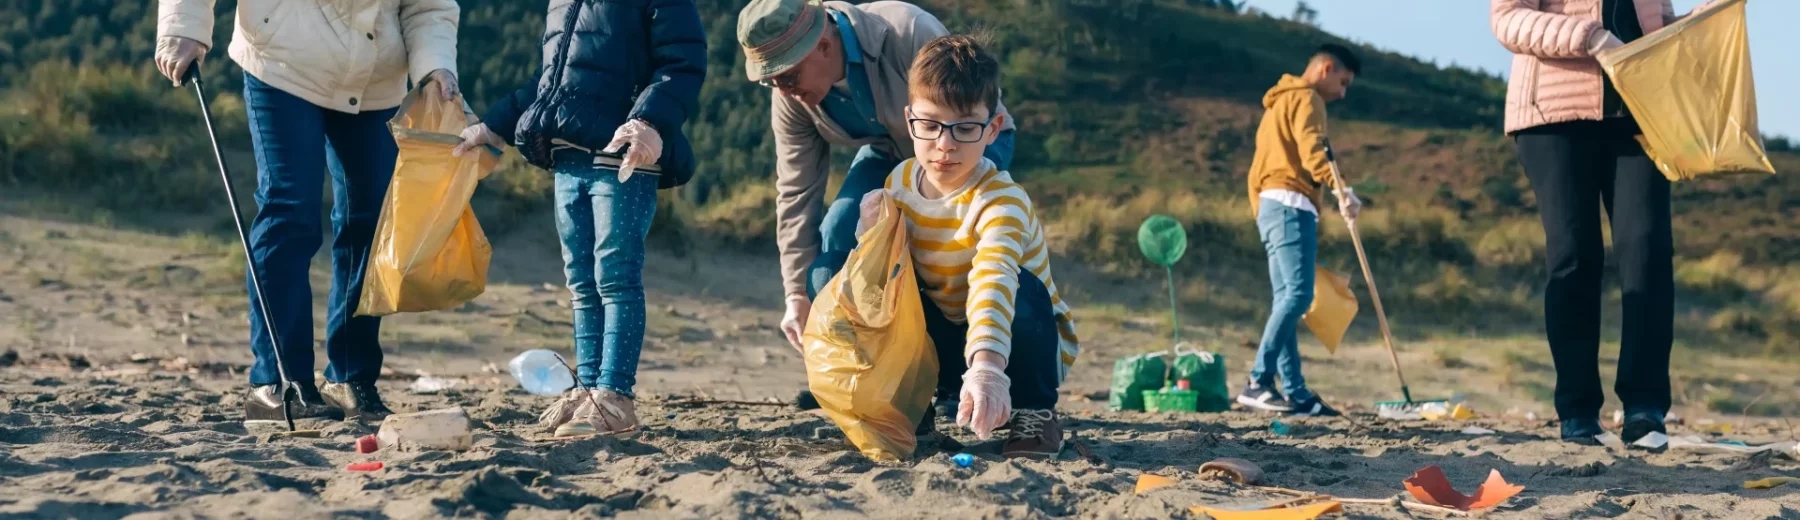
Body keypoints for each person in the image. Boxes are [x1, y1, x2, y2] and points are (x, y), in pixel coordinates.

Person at [155, 0, 462, 425]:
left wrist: (435, 65)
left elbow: (428, 6)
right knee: (290, 212)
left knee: (371, 225)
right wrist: (184, 27)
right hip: (283, 60)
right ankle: (278, 382)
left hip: (373, 80)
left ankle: (350, 378)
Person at [453, 0, 706, 437]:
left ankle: (615, 397)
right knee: (581, 281)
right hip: (567, 156)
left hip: (624, 152)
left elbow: (683, 62)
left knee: (616, 277)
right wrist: (494, 125)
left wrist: (649, 120)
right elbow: (553, 78)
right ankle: (588, 390)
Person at [734, 0, 1018, 362]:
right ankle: (880, 366)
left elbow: (968, 109)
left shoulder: (907, 31)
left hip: (964, 140)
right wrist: (797, 295)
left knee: (942, 243)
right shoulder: (790, 96)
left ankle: (958, 359)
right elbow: (795, 191)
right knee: (838, 230)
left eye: (788, 77)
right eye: (770, 81)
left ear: (823, 45)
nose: (783, 90)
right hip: (889, 150)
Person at [853, 35, 1079, 459]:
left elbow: (994, 277)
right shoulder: (899, 182)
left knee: (1023, 288)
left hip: (1017, 344)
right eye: (930, 125)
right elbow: (886, 279)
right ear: (909, 119)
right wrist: (870, 237)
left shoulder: (1001, 200)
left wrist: (988, 367)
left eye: (965, 127)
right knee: (898, 289)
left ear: (992, 129)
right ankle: (914, 410)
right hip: (949, 341)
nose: (945, 144)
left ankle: (1035, 413)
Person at [1490, 0, 1696, 445]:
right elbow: (1506, 19)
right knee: (1575, 255)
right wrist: (1591, 37)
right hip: (1553, 117)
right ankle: (1578, 410)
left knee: (1648, 252)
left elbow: (1654, 26)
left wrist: (1697, 23)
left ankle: (1644, 406)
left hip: (1641, 115)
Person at [1236, 44, 1363, 418]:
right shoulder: (1308, 99)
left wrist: (1263, 210)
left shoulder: (1277, 104)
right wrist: (1342, 190)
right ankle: (1258, 381)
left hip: (1270, 205)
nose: (1343, 93)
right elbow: (1314, 153)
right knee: (1298, 295)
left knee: (1286, 299)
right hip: (1291, 202)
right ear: (1326, 69)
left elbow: (1257, 168)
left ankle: (1296, 393)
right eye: (1343, 82)